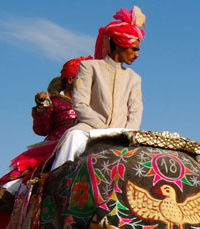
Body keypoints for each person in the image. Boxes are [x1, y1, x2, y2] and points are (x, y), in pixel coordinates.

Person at [0, 56, 93, 208]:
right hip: (58, 142)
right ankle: (8, 192)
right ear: (70, 80)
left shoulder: (92, 102)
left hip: (88, 138)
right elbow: (42, 129)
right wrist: (41, 110)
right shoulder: (54, 101)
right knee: (34, 165)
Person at [51, 6, 146, 170]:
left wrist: (124, 133)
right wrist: (104, 129)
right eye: (134, 49)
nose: (137, 55)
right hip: (89, 130)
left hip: (121, 134)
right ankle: (56, 186)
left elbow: (135, 111)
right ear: (120, 43)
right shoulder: (89, 67)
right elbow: (81, 105)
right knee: (73, 136)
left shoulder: (134, 78)